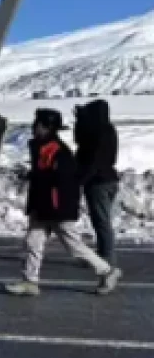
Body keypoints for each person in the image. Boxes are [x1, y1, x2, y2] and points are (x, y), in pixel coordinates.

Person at [5, 108, 123, 296]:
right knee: (33, 241)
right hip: (43, 205)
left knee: (73, 246)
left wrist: (44, 186)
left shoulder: (59, 152)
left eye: (38, 124)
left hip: (56, 207)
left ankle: (107, 271)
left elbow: (64, 182)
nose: (34, 128)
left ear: (47, 127)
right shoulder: (41, 147)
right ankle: (30, 281)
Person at [74, 99, 120, 265]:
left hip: (98, 182)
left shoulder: (97, 133)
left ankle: (106, 257)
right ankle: (102, 253)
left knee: (101, 221)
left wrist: (80, 180)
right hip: (109, 179)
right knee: (101, 219)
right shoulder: (108, 130)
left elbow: (93, 161)